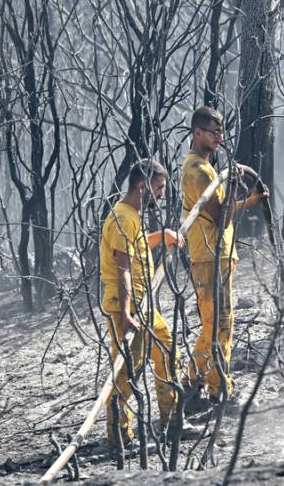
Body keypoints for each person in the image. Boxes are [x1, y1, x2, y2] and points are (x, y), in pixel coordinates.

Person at [181, 106, 267, 414]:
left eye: (221, 131)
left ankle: (213, 389)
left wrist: (251, 200)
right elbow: (220, 216)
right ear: (197, 133)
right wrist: (232, 185)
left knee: (219, 325)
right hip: (209, 256)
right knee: (216, 325)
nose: (220, 137)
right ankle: (194, 386)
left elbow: (219, 211)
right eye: (213, 132)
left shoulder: (204, 168)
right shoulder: (199, 171)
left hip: (216, 255)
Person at [99, 158, 183, 450]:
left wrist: (164, 236)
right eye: (158, 188)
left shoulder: (131, 216)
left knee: (165, 345)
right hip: (128, 306)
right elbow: (122, 266)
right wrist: (124, 313)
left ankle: (172, 421)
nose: (161, 194)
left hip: (142, 305)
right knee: (125, 371)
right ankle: (119, 438)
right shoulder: (123, 217)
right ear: (141, 185)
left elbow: (137, 244)